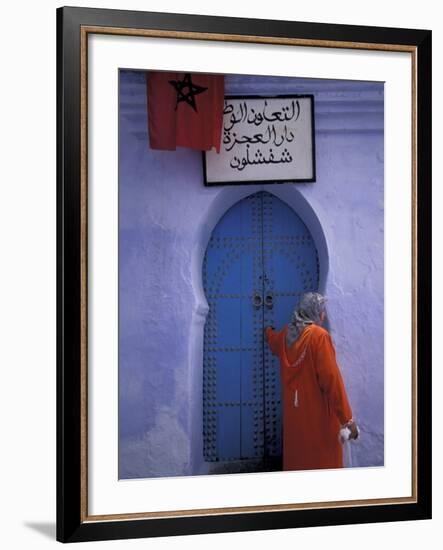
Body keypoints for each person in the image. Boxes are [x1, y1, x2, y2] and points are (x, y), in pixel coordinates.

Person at [265, 292, 359, 471]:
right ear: (315, 312)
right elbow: (332, 381)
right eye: (322, 311)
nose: (323, 316)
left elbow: (273, 342)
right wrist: (347, 420)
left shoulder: (285, 334)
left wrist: (268, 332)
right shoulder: (319, 337)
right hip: (318, 420)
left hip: (295, 419)